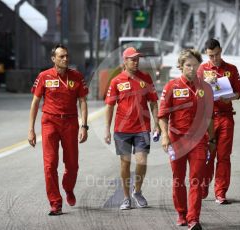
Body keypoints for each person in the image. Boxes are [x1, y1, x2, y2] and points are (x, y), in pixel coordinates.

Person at [28, 44, 89, 215]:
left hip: (70, 123)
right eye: (61, 56)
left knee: (72, 165)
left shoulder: (76, 76)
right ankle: (55, 202)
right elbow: (35, 103)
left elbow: (83, 101)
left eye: (67, 56)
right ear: (53, 59)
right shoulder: (44, 76)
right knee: (50, 165)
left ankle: (68, 188)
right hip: (50, 123)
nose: (65, 59)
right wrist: (31, 129)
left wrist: (84, 126)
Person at [159, 49, 214, 230]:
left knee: (196, 180)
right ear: (181, 66)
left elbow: (208, 117)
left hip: (199, 140)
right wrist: (165, 136)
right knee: (178, 179)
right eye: (188, 65)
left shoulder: (205, 88)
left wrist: (212, 139)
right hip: (177, 140)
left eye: (195, 65)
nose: (192, 69)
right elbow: (162, 115)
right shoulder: (171, 87)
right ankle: (182, 213)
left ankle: (193, 219)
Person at [104, 47, 160, 210]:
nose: (136, 62)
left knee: (141, 161)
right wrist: (107, 129)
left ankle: (137, 191)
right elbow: (109, 106)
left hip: (142, 128)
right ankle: (126, 197)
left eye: (137, 59)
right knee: (125, 164)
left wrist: (157, 124)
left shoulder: (146, 78)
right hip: (122, 130)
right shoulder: (116, 81)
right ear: (125, 61)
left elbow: (153, 103)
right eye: (132, 59)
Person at [197, 38, 240, 204]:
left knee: (224, 156)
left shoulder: (231, 69)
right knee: (207, 155)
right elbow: (194, 93)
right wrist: (203, 84)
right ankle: (203, 186)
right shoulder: (201, 69)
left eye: (216, 54)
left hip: (225, 116)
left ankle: (221, 192)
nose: (214, 59)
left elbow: (239, 92)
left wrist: (228, 97)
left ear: (221, 51)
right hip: (207, 118)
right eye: (211, 56)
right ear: (206, 54)